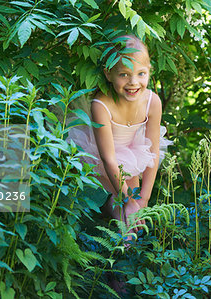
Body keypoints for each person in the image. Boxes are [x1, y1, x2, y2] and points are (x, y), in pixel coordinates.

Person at [68, 35, 172, 232]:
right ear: (108, 74)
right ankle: (116, 220)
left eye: (141, 74)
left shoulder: (152, 102)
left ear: (150, 71)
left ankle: (128, 237)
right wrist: (128, 201)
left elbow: (154, 152)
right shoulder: (101, 105)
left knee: (136, 210)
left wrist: (144, 199)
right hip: (101, 156)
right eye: (124, 74)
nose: (133, 82)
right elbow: (109, 160)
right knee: (124, 207)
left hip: (132, 154)